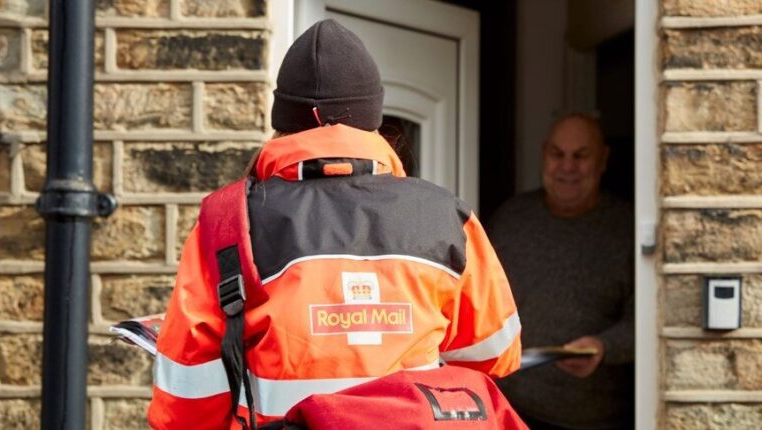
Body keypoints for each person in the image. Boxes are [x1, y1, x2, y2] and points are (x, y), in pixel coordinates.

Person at [148, 19, 522, 429]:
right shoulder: (446, 216)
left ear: (283, 124)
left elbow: (185, 401)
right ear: (374, 121)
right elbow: (495, 354)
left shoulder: (227, 221)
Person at [488, 114, 634, 429]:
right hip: (509, 413)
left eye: (581, 156)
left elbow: (649, 323)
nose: (567, 167)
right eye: (557, 154)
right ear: (544, 155)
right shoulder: (510, 220)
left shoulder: (628, 230)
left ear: (603, 160)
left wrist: (604, 347)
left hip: (595, 420)